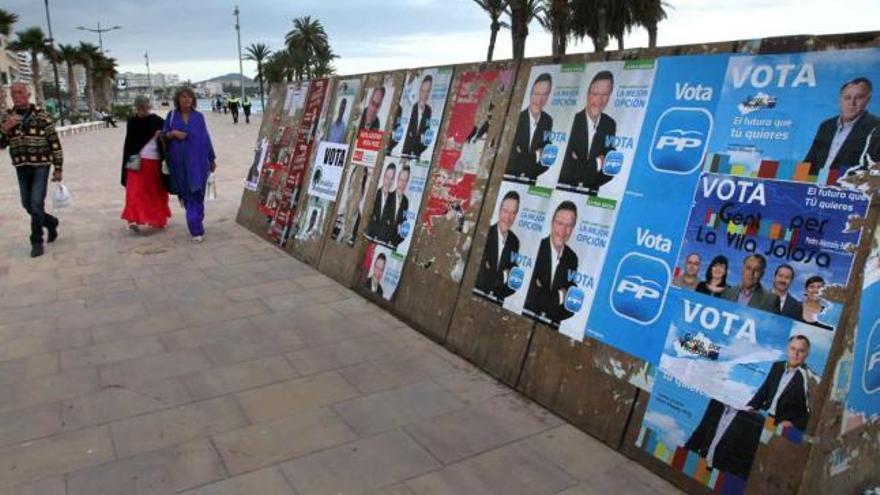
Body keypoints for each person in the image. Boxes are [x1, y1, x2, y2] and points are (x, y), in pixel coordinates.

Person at [0, 82, 62, 257]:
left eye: (20, 93)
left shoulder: (42, 115)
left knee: (36, 203)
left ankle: (36, 241)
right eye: (13, 94)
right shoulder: (7, 116)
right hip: (21, 166)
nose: (17, 96)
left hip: (41, 165)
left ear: (28, 94)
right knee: (27, 204)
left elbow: (55, 144)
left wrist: (58, 168)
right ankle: (51, 222)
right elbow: (1, 144)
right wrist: (6, 127)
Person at [163, 86, 217, 243]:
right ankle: (195, 227)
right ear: (177, 100)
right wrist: (173, 133)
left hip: (199, 160)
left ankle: (196, 219)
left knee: (198, 192)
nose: (187, 100)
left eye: (189, 97)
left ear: (193, 100)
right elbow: (163, 134)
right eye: (183, 97)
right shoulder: (171, 116)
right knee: (187, 193)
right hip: (179, 161)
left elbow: (206, 137)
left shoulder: (199, 117)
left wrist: (211, 158)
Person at [804, 77, 879, 176]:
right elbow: (810, 162)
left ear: (868, 100)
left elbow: (873, 170)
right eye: (847, 97)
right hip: (815, 186)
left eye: (859, 97)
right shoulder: (826, 125)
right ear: (840, 100)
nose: (852, 103)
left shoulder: (876, 127)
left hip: (847, 188)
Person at [558, 71, 617, 193]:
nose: (600, 100)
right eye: (595, 94)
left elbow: (610, 170)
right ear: (587, 94)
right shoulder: (572, 120)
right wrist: (598, 162)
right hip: (564, 191)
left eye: (605, 94)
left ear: (610, 95)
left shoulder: (609, 124)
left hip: (591, 194)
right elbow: (566, 170)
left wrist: (581, 167)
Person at [120, 95, 170, 232]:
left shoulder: (157, 121)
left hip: (153, 161)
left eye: (144, 106)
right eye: (139, 106)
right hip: (135, 161)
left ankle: (157, 218)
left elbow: (167, 138)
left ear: (148, 106)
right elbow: (129, 143)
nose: (141, 109)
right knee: (134, 190)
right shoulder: (132, 121)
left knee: (154, 191)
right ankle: (133, 218)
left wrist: (162, 135)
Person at [524, 200, 579, 325]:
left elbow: (570, 307)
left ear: (573, 228)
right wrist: (561, 295)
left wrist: (544, 296)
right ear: (552, 223)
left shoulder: (572, 258)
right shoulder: (535, 247)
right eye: (559, 223)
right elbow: (530, 298)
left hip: (551, 326)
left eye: (569, 225)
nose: (563, 230)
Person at [683, 398, 764, 480]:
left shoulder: (756, 420)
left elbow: (747, 461)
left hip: (722, 477)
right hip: (698, 466)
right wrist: (683, 457)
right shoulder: (716, 403)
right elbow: (699, 434)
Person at [747, 335, 812, 430]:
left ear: (807, 354)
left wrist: (793, 423)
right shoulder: (777, 366)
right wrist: (751, 406)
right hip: (763, 414)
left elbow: (809, 411)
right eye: (793, 349)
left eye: (801, 351)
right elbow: (765, 389)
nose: (796, 354)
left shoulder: (809, 378)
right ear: (788, 349)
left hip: (781, 424)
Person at [506, 73, 553, 182]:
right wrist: (537, 155)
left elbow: (547, 158)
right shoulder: (518, 118)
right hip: (510, 177)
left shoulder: (548, 120)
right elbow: (511, 156)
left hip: (531, 179)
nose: (540, 99)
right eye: (536, 94)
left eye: (545, 94)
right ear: (530, 93)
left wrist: (523, 156)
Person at [475, 190, 521, 302]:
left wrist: (494, 274)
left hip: (496, 301)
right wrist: (504, 275)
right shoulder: (486, 233)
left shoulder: (514, 241)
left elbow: (513, 282)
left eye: (513, 213)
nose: (509, 217)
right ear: (499, 210)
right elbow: (479, 276)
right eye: (506, 211)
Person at [402, 75, 433, 159]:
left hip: (416, 154)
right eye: (423, 91)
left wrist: (417, 152)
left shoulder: (428, 111)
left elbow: (426, 136)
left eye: (428, 91)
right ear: (419, 90)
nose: (425, 94)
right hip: (405, 152)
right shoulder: (412, 108)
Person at [367, 162, 396, 240]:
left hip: (382, 240)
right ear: (383, 177)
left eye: (391, 178)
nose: (388, 181)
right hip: (369, 236)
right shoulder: (374, 194)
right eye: (387, 177)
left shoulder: (393, 200)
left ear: (393, 181)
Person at [387, 164, 411, 247]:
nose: (403, 183)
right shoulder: (388, 197)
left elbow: (403, 223)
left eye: (406, 181)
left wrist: (395, 242)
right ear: (397, 179)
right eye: (401, 180)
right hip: (382, 238)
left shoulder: (405, 201)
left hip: (393, 242)